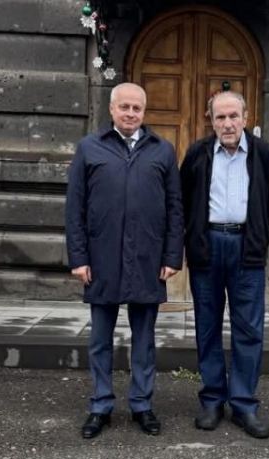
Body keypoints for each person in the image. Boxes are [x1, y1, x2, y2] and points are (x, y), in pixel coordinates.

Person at [65, 82, 183, 439]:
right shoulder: (89, 148)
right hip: (102, 259)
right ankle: (100, 405)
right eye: (125, 107)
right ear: (112, 109)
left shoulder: (162, 150)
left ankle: (142, 405)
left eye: (137, 108)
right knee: (100, 340)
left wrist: (172, 255)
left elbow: (175, 208)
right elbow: (75, 208)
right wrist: (79, 258)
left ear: (144, 111)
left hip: (148, 258)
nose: (131, 114)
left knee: (144, 340)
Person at [180, 91, 269, 439]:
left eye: (233, 116)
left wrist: (254, 233)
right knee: (207, 326)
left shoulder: (264, 154)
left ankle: (243, 404)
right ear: (211, 120)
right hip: (207, 247)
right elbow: (184, 199)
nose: (227, 123)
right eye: (220, 117)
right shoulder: (197, 153)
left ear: (245, 117)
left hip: (246, 247)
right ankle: (212, 400)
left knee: (248, 329)